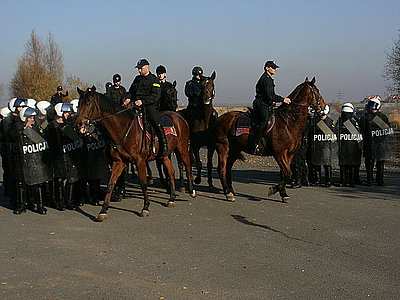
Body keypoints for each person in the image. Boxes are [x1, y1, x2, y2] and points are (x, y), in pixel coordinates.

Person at [125, 58, 168, 157]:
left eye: (141, 68)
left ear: (147, 67)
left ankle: (164, 146)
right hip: (135, 105)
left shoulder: (154, 79)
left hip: (148, 106)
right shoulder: (137, 79)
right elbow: (130, 91)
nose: (139, 70)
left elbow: (155, 96)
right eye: (138, 69)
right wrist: (127, 98)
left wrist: (143, 102)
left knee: (156, 122)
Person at [252, 61, 291, 155]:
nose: (275, 69)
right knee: (264, 120)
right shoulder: (266, 79)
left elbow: (268, 96)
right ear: (267, 68)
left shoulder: (269, 78)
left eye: (275, 68)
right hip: (261, 104)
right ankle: (255, 143)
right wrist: (283, 100)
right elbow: (270, 95)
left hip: (266, 103)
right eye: (273, 68)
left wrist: (272, 101)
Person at [359, 98, 393, 186]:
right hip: (374, 144)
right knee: (374, 162)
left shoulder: (367, 117)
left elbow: (387, 131)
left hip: (376, 143)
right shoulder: (379, 117)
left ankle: (376, 180)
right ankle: (374, 180)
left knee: (377, 162)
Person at [335, 103, 362, 187]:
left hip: (342, 147)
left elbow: (335, 135)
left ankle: (343, 181)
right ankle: (352, 181)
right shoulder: (355, 122)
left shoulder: (339, 123)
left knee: (343, 165)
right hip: (353, 148)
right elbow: (360, 137)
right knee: (352, 165)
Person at [309, 105, 336, 187]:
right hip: (317, 146)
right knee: (317, 165)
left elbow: (333, 136)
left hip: (326, 146)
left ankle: (328, 180)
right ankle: (317, 180)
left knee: (327, 165)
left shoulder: (329, 122)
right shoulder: (314, 122)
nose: (322, 116)